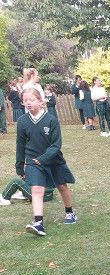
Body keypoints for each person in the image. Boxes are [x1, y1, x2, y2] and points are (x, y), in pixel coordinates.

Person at [16, 88, 78, 236]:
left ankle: (70, 212)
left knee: (62, 186)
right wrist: (19, 166)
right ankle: (38, 223)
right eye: (25, 100)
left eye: (32, 100)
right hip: (33, 160)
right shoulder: (22, 121)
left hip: (53, 159)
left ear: (40, 101)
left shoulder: (51, 120)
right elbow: (20, 144)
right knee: (37, 189)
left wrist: (42, 159)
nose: (28, 103)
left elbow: (56, 145)